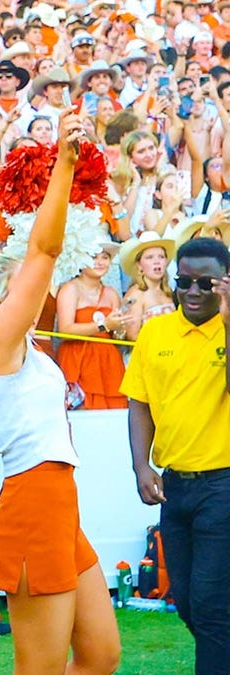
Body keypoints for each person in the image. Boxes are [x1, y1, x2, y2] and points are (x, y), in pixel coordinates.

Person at [0, 114, 121, 673]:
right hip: (33, 503)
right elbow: (44, 251)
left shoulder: (24, 348)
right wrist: (64, 161)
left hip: (62, 501)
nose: (31, 285)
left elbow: (41, 257)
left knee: (101, 656)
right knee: (39, 669)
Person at [123, 236, 230, 675]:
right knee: (185, 600)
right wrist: (141, 465)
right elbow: (139, 402)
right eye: (184, 280)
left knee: (208, 604)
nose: (192, 291)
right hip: (175, 487)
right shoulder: (156, 330)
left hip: (222, 484)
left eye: (205, 283)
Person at [54, 243, 130, 409]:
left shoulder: (111, 293)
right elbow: (65, 330)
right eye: (94, 256)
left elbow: (117, 337)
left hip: (108, 361)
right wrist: (103, 325)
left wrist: (120, 327)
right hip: (78, 357)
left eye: (105, 257)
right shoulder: (70, 289)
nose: (100, 262)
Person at [119, 232, 177, 340]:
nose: (157, 261)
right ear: (139, 265)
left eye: (161, 257)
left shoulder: (169, 292)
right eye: (149, 257)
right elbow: (131, 335)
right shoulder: (135, 294)